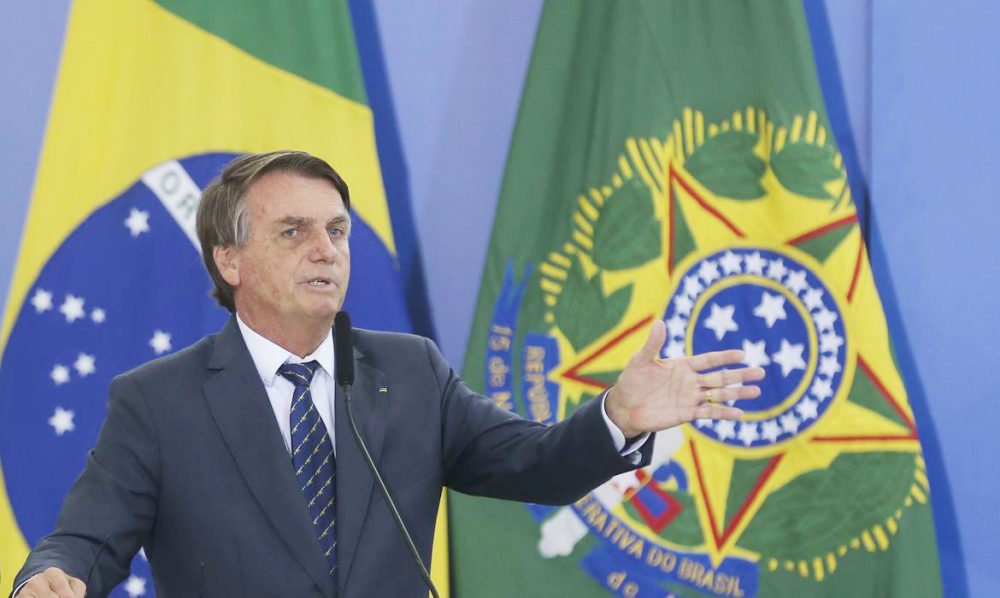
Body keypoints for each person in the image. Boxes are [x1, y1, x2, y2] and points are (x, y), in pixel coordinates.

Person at [12, 151, 763, 597]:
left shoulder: (409, 372)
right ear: (229, 260)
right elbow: (85, 541)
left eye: (337, 230)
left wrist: (616, 417)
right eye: (294, 231)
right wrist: (46, 579)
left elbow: (535, 463)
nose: (326, 249)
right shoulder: (158, 401)